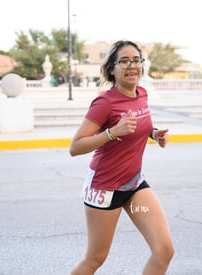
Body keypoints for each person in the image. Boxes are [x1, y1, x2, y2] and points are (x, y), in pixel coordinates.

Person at [69, 40, 174, 274]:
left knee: (164, 251)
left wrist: (154, 133)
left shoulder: (142, 94)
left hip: (134, 186)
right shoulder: (105, 103)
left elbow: (137, 125)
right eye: (124, 61)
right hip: (105, 190)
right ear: (111, 69)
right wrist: (111, 133)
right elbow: (75, 147)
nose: (131, 65)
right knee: (95, 259)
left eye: (136, 60)